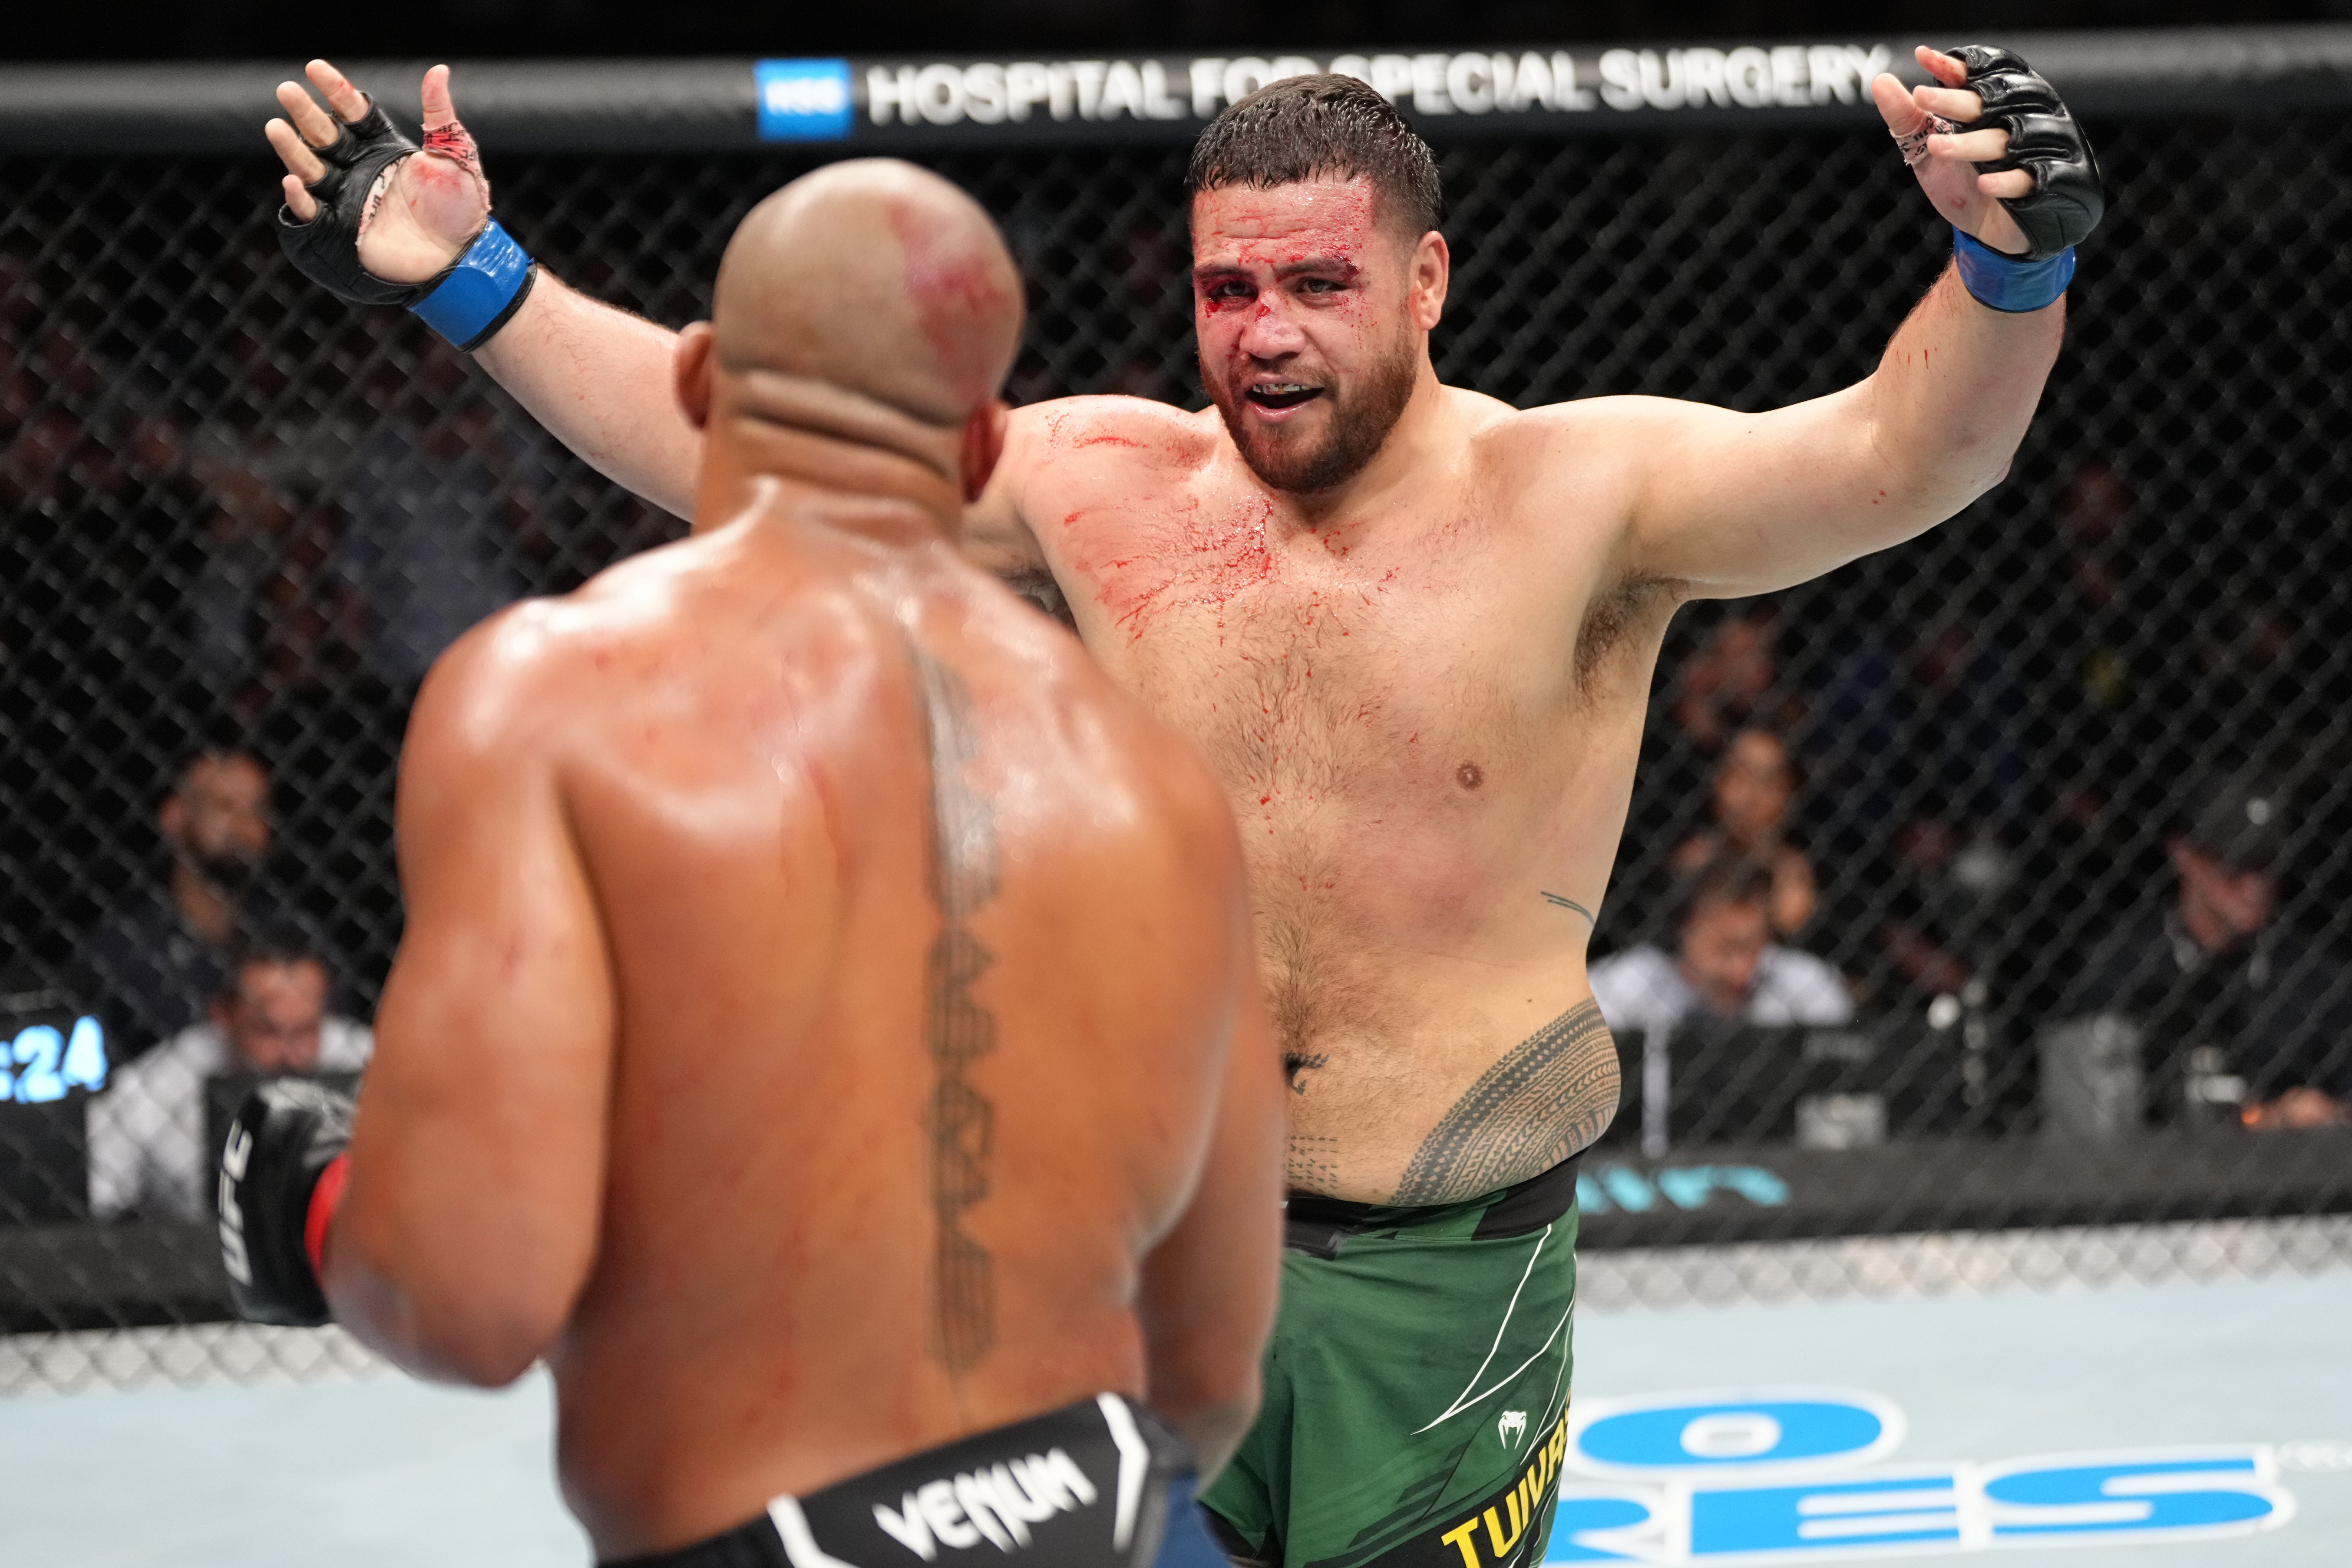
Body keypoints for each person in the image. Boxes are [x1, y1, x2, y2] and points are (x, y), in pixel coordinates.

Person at [260, 45, 2098, 1568]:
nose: (1264, 334)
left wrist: (2004, 269)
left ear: (1425, 282)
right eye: (1228, 290)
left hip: (1443, 1279)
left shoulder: (1581, 494)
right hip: (1135, 1246)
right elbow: (736, 451)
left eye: (1316, 285)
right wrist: (470, 277)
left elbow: (1897, 453)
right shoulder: (1102, 479)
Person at [218, 162, 1285, 1568]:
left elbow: (468, 1297)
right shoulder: (1154, 782)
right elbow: (1208, 1370)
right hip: (1108, 1515)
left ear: (700, 378)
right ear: (982, 450)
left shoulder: (551, 699)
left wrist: (314, 1205)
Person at [2040, 776, 2349, 1134]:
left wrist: (2324, 1113)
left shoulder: (2318, 974)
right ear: (2183, 853)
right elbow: (2092, 1121)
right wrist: (2259, 1119)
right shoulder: (2120, 966)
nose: (2254, 884)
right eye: (2236, 862)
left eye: (2267, 864)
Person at [87, 925, 368, 1221]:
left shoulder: (365, 1060)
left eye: (305, 1031)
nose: (290, 1055)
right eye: (267, 1031)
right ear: (223, 1016)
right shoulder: (155, 1087)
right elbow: (99, 1196)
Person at [74, 748, 284, 1061]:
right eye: (225, 806)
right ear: (175, 817)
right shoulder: (120, 948)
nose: (244, 827)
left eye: (258, 810)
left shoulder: (293, 936)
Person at [1588, 858, 1853, 1036]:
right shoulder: (1620, 987)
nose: (1742, 971)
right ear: (1685, 929)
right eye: (1724, 950)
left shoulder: (1807, 982)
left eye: (1754, 948)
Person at [1670, 727, 1817, 938]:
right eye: (1740, 776)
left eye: (1767, 781)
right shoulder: (1686, 862)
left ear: (1790, 793)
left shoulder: (1800, 871)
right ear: (1718, 783)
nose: (1751, 796)